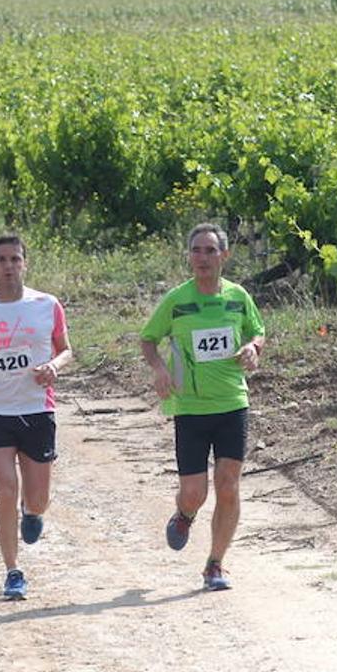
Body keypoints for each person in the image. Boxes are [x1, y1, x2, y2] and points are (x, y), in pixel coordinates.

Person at [139, 223, 265, 592]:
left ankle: (215, 564)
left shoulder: (238, 297)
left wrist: (253, 348)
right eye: (196, 250)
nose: (202, 258)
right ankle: (184, 514)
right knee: (195, 491)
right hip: (190, 407)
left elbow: (257, 330)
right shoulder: (177, 300)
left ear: (224, 256)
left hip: (231, 403)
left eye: (210, 251)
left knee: (228, 485)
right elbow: (148, 339)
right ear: (189, 256)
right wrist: (160, 368)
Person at [0, 234, 72, 601]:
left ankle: (31, 513)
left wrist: (53, 365)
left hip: (37, 409)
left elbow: (66, 349)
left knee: (38, 499)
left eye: (14, 259)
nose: (8, 266)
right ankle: (12, 571)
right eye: (1, 259)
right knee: (4, 490)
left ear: (25, 263)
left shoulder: (46, 304)